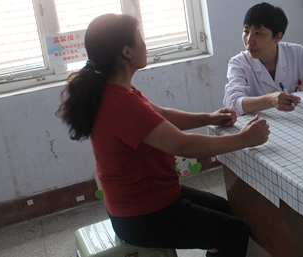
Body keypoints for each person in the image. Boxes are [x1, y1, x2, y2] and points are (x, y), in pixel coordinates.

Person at [56, 13, 270, 257]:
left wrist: (210, 117)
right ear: (127, 52)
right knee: (235, 232)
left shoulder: (116, 90)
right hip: (143, 215)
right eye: (140, 38)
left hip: (145, 199)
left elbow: (163, 115)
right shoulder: (121, 104)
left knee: (222, 208)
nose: (145, 44)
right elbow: (182, 145)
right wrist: (244, 139)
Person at [223, 2, 303, 115]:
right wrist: (269, 100)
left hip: (299, 120)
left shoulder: (297, 53)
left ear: (277, 37)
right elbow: (233, 102)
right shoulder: (239, 63)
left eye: (258, 33)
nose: (249, 40)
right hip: (260, 124)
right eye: (246, 32)